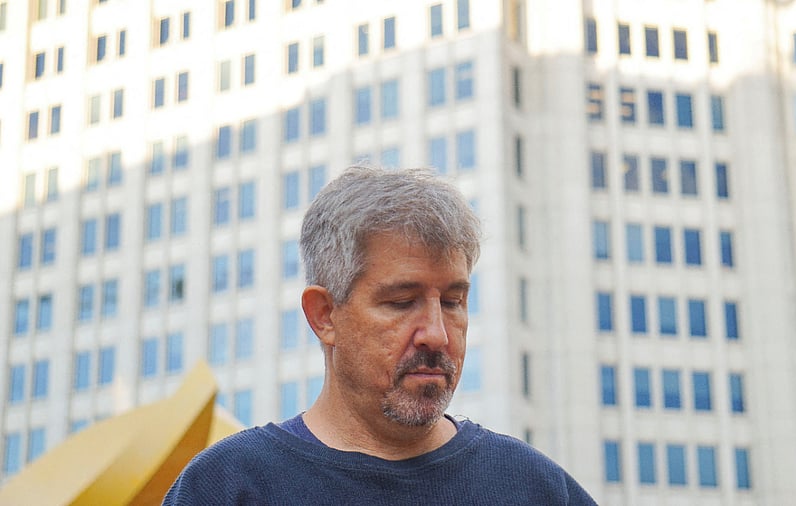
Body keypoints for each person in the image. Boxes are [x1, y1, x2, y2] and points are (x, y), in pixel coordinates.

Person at [164, 166, 596, 505]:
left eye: (452, 301)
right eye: (402, 301)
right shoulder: (226, 487)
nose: (437, 335)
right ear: (325, 315)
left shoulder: (534, 488)